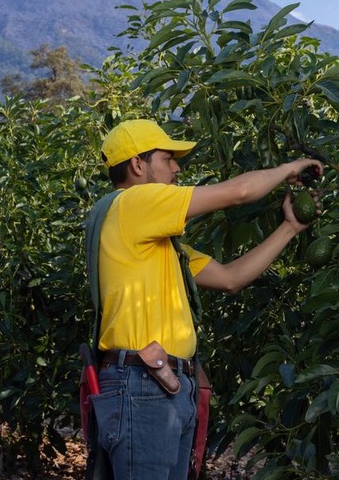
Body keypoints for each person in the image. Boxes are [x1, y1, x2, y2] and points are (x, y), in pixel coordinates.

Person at [86, 118, 323, 479]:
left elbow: (230, 278)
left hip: (165, 386)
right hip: (143, 387)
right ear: (137, 164)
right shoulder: (133, 203)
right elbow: (239, 192)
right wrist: (289, 168)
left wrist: (290, 227)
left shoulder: (156, 243)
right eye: (167, 159)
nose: (176, 168)